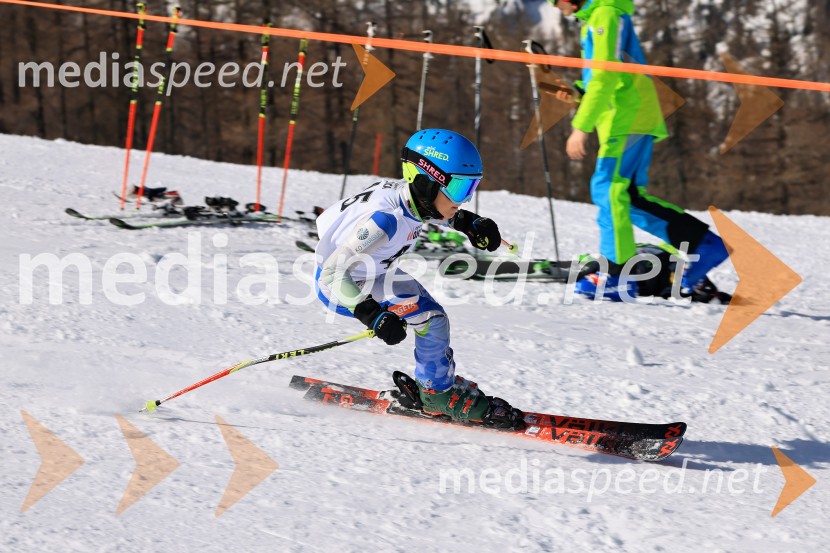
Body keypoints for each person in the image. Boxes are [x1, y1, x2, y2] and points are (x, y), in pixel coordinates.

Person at [313, 128, 524, 429]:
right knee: (432, 319)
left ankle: (436, 381)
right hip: (346, 286)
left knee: (433, 318)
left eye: (470, 188)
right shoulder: (385, 221)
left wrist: (470, 223)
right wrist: (371, 314)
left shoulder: (412, 199)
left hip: (374, 272)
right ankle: (437, 394)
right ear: (426, 181)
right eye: (460, 189)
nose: (463, 200)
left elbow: (432, 209)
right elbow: (332, 274)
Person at [548, 0, 729, 302]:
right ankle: (702, 247)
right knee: (627, 197)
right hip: (627, 115)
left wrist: (581, 126)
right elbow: (602, 76)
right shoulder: (598, 16)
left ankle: (618, 277)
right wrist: (577, 92)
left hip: (626, 116)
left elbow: (607, 76)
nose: (556, 6)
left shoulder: (605, 15)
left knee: (609, 190)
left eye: (556, 0)